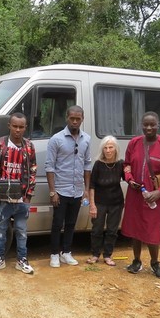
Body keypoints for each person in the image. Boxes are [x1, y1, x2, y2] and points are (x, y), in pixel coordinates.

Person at [122, 111, 160, 279]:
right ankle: (136, 261)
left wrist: (159, 192)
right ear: (141, 125)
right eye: (145, 124)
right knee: (135, 228)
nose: (148, 127)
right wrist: (129, 179)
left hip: (156, 197)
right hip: (135, 194)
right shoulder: (133, 143)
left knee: (152, 229)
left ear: (158, 126)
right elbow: (126, 165)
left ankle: (155, 263)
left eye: (152, 124)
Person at [0, 113, 37, 274]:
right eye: (15, 126)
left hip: (21, 198)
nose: (18, 130)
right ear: (9, 126)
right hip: (2, 197)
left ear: (25, 128)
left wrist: (28, 196)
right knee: (0, 229)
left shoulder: (29, 147)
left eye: (21, 127)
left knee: (21, 230)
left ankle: (22, 260)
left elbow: (33, 171)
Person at [45, 105, 92, 268]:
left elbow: (87, 165)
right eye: (72, 118)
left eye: (78, 119)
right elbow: (49, 166)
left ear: (82, 119)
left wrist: (86, 190)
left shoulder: (86, 139)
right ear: (67, 118)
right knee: (58, 223)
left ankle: (66, 252)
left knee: (71, 223)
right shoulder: (56, 139)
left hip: (77, 191)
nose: (74, 121)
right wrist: (53, 192)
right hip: (60, 190)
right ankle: (54, 254)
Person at [87, 136, 124, 266]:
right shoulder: (98, 164)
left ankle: (108, 255)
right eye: (105, 148)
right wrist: (92, 205)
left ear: (115, 149)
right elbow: (91, 186)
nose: (108, 150)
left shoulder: (121, 164)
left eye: (110, 147)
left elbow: (129, 179)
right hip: (99, 202)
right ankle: (95, 254)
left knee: (112, 231)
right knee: (97, 229)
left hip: (116, 203)